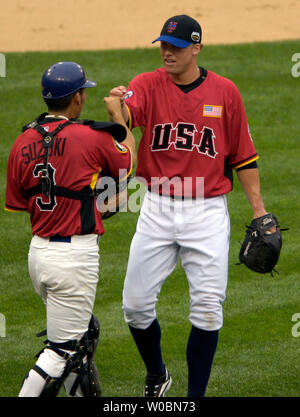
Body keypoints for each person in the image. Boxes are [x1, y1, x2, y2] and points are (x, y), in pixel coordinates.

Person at [109, 14, 274, 397]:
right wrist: (117, 106)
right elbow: (125, 124)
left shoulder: (225, 92)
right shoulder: (145, 85)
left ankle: (193, 399)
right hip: (156, 207)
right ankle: (157, 374)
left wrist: (258, 209)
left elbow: (244, 157)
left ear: (196, 48)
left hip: (207, 212)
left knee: (207, 311)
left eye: (176, 47)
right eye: (164, 46)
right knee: (134, 305)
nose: (168, 53)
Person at [5, 61, 136, 397]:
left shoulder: (22, 142)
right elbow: (129, 165)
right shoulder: (90, 137)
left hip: (39, 255)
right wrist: (118, 115)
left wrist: (82, 203)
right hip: (72, 259)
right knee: (62, 351)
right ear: (78, 97)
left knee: (79, 341)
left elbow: (22, 202)